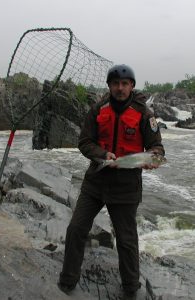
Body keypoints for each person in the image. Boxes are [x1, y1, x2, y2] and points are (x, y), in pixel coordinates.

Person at [58, 64, 165, 299]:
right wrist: (101, 155)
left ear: (132, 86)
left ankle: (130, 288)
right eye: (115, 83)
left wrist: (152, 158)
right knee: (76, 229)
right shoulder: (98, 109)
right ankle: (67, 281)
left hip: (126, 186)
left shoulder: (145, 114)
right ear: (109, 86)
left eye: (124, 84)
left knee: (127, 240)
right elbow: (84, 141)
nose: (120, 88)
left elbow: (157, 147)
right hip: (95, 180)